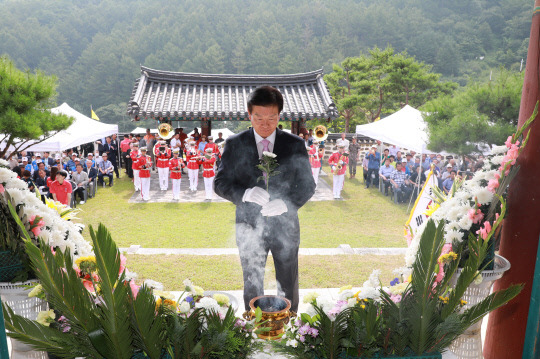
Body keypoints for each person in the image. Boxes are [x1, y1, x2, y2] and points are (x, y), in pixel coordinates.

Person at [214, 86, 316, 312]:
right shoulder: (234, 143)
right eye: (258, 117)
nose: (265, 123)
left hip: (285, 227)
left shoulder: (294, 145)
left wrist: (286, 203)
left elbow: (308, 185)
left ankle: (289, 330)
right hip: (249, 226)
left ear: (279, 115)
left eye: (272, 117)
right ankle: (254, 326)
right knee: (252, 280)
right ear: (249, 115)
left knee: (288, 281)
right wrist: (245, 194)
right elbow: (220, 183)